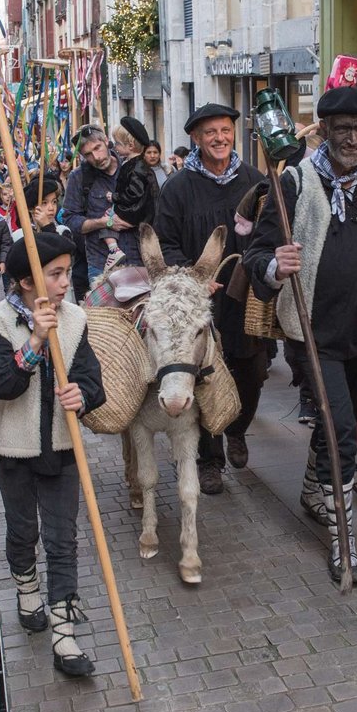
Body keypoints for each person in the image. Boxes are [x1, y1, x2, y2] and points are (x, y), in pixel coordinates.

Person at [244, 85, 357, 583]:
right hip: (313, 332)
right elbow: (257, 254)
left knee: (340, 424)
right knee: (341, 431)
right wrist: (274, 265)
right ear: (322, 130)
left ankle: (312, 491)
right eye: (342, 129)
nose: (352, 139)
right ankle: (344, 543)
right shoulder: (295, 183)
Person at [0, 232, 106, 677]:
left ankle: (64, 635)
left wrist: (82, 396)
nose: (64, 283)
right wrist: (34, 341)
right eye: (54, 275)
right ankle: (26, 587)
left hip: (62, 448)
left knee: (62, 539)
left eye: (67, 273)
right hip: (15, 449)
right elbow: (0, 384)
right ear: (26, 283)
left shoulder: (75, 320)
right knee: (22, 530)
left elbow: (93, 381)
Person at [153, 103, 267, 494]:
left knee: (251, 370)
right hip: (195, 305)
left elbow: (270, 233)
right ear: (196, 139)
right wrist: (193, 278)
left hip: (245, 298)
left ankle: (237, 429)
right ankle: (209, 459)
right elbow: (165, 243)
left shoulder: (254, 180)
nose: (219, 138)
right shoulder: (179, 187)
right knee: (201, 379)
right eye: (209, 133)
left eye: (225, 130)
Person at [62, 125, 140, 284]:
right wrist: (104, 223)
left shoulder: (133, 167)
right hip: (101, 264)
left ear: (106, 140)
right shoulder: (78, 177)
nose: (96, 157)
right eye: (88, 154)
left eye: (97, 148)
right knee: (104, 310)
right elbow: (70, 219)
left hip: (138, 260)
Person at [100, 117, 158, 269]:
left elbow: (134, 193)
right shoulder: (137, 165)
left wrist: (114, 197)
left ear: (131, 145)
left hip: (133, 211)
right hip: (138, 212)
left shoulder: (136, 167)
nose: (115, 147)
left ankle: (114, 250)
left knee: (107, 217)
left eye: (118, 143)